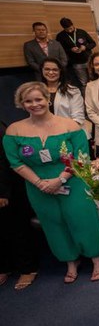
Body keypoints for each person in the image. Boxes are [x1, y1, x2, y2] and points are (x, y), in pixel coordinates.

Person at [3, 82, 99, 283]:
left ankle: (96, 258)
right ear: (22, 104)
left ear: (47, 99)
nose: (35, 104)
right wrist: (41, 183)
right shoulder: (14, 131)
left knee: (82, 219)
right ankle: (70, 261)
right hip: (38, 187)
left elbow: (81, 157)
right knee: (54, 223)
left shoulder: (70, 125)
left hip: (73, 181)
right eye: (28, 101)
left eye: (38, 99)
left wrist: (59, 180)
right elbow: (15, 162)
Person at [0, 121, 39, 290]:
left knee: (16, 227)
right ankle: (4, 267)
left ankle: (27, 268)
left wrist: (3, 192)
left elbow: (4, 159)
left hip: (8, 189)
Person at [41, 58, 85, 127]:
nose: (51, 72)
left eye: (55, 70)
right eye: (47, 69)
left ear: (60, 71)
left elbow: (78, 118)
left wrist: (62, 134)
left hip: (69, 132)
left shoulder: (72, 91)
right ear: (42, 70)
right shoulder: (37, 91)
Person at [56, 17, 96, 87]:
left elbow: (93, 43)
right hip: (76, 63)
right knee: (84, 82)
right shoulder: (60, 36)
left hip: (88, 60)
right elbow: (60, 50)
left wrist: (85, 47)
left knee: (94, 79)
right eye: (67, 29)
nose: (69, 30)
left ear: (72, 24)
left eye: (70, 28)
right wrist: (70, 50)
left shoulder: (81, 32)